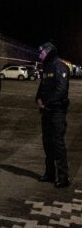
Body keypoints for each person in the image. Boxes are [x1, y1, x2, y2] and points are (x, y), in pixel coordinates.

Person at [36, 41, 70, 188]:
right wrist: (37, 99)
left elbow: (61, 90)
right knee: (47, 144)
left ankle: (63, 177)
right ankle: (49, 173)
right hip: (46, 112)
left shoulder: (60, 66)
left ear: (49, 52)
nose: (40, 55)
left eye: (41, 52)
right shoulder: (46, 67)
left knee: (57, 144)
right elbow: (42, 87)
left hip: (57, 112)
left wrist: (47, 103)